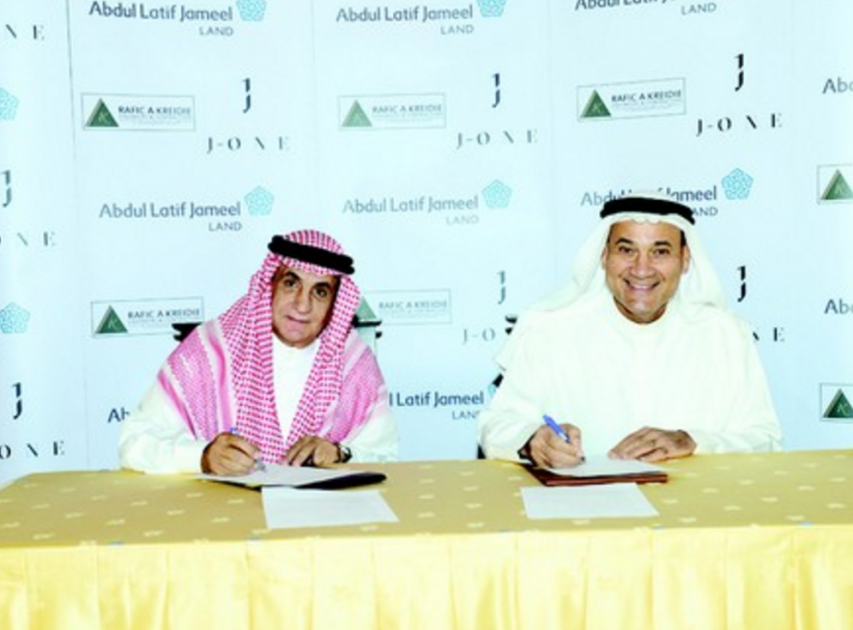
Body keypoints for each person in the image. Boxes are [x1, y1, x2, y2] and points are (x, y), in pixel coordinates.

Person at [478, 192, 781, 468]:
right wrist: (532, 440)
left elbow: (765, 439)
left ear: (685, 260)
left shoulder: (726, 335)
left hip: (695, 507)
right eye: (626, 250)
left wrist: (693, 441)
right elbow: (498, 424)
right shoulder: (548, 329)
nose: (641, 269)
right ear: (604, 256)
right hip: (581, 505)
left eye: (660, 252)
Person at [119, 229, 398, 475]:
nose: (302, 305)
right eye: (291, 283)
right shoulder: (210, 352)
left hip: (319, 514)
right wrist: (202, 457)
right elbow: (134, 443)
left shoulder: (354, 366)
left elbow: (387, 457)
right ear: (270, 285)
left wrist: (341, 453)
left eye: (320, 292)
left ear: (335, 304)